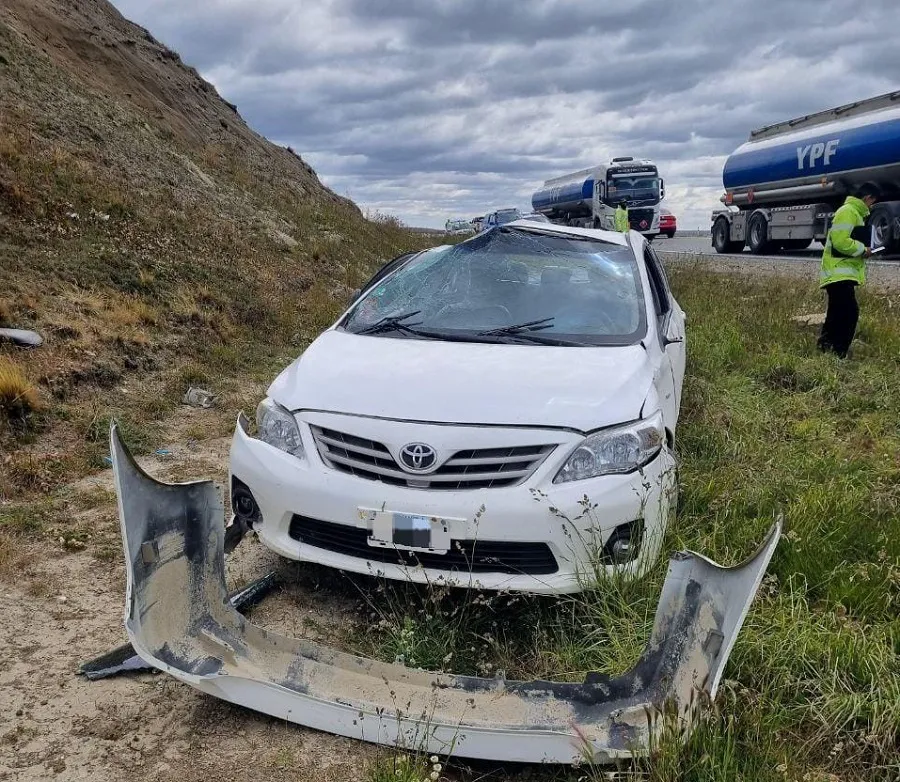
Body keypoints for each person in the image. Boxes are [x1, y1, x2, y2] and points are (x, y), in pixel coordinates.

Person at [817, 184, 880, 358]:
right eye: (872, 202)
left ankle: (825, 349)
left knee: (837, 313)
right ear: (867, 198)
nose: (871, 206)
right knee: (849, 313)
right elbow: (840, 241)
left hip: (842, 272)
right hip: (839, 272)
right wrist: (862, 249)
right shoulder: (848, 212)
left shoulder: (854, 213)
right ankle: (838, 352)